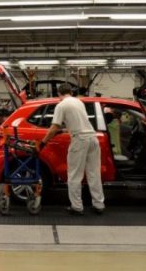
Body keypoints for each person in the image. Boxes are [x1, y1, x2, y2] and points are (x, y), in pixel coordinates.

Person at [39, 83, 104, 215]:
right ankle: (99, 204)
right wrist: (65, 129)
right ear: (71, 92)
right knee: (94, 173)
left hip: (80, 140)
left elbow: (54, 127)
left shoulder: (61, 105)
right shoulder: (79, 102)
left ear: (59, 94)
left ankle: (77, 207)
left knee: (74, 175)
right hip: (93, 138)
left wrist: (43, 142)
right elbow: (79, 122)